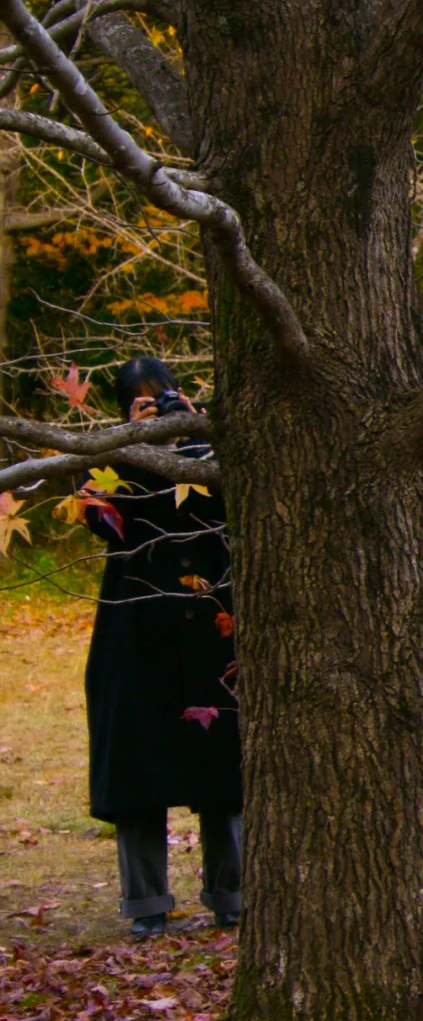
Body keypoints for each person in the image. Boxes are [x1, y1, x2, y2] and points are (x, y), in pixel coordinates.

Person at [80, 356, 242, 938]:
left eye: (164, 398)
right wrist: (129, 443)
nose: (157, 409)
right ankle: (145, 904)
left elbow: (234, 502)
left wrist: (195, 435)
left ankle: (232, 893)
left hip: (211, 626)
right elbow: (100, 521)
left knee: (224, 766)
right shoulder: (110, 459)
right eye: (142, 402)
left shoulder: (213, 449)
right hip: (135, 631)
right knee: (137, 771)